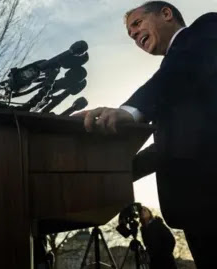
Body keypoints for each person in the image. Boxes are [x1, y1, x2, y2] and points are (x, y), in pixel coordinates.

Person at [76, 1, 217, 267]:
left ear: (166, 14)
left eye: (137, 24)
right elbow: (172, 144)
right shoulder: (174, 81)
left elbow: (182, 68)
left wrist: (130, 111)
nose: (135, 36)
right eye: (130, 35)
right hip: (196, 211)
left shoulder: (206, 31)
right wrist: (119, 171)